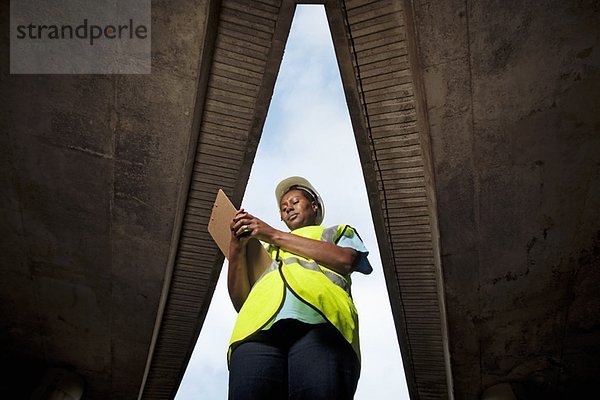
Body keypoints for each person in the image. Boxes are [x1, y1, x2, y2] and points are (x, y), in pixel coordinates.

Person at [227, 176, 373, 400]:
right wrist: (236, 248)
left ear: (314, 206)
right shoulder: (262, 249)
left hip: (322, 323)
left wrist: (273, 234)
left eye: (294, 202)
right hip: (255, 334)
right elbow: (241, 302)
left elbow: (346, 260)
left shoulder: (335, 232)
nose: (288, 209)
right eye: (284, 208)